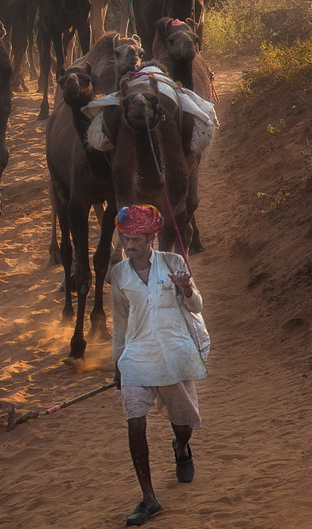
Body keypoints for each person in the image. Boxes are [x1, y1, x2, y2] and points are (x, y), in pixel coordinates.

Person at [108, 204, 208, 526]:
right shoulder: (119, 273)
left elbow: (196, 305)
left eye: (136, 238)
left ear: (151, 237)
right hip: (137, 355)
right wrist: (118, 363)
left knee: (184, 425)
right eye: (126, 239)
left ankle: (180, 447)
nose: (129, 245)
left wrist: (186, 287)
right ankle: (149, 499)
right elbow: (121, 321)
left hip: (173, 353)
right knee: (135, 423)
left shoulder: (173, 263)